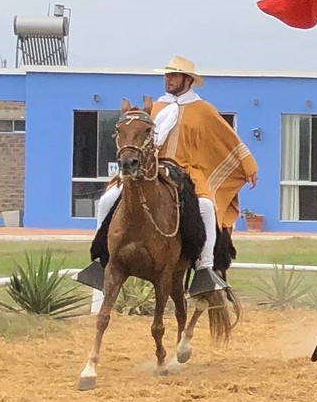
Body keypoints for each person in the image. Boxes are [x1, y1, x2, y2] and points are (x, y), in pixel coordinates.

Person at [77, 56, 259, 298]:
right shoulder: (156, 108)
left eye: (174, 76)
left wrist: (248, 165)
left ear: (187, 80)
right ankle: (101, 259)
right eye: (167, 75)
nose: (169, 79)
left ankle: (204, 268)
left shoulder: (204, 110)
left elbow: (226, 138)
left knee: (206, 207)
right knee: (108, 200)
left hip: (186, 171)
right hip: (151, 169)